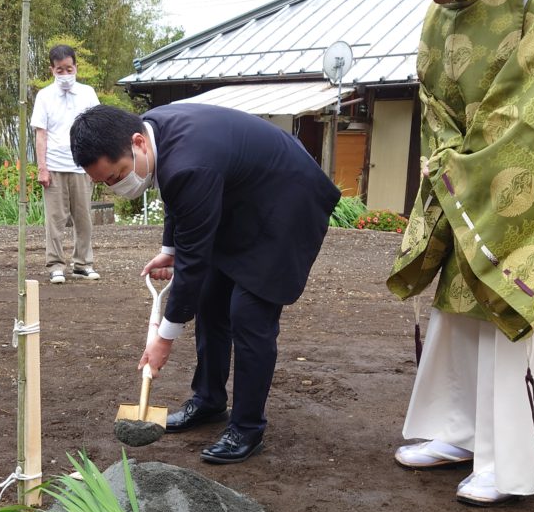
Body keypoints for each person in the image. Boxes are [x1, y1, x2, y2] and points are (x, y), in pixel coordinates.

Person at [388, 0, 534, 504]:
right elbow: (436, 104)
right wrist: (455, 167)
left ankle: (512, 460)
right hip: (471, 178)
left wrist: (471, 168)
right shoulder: (438, 15)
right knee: (463, 301)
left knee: (516, 300)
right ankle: (459, 430)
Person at [70, 104, 340, 464]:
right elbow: (174, 193)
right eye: (105, 182)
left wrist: (164, 338)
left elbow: (194, 261)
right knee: (212, 299)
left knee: (249, 313)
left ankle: (247, 428)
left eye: (116, 175)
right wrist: (170, 249)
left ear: (138, 143)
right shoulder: (153, 133)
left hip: (288, 201)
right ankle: (209, 400)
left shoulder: (188, 162)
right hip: (241, 197)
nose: (115, 186)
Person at [31, 44, 101, 285]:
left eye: (68, 69)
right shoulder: (44, 96)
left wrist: (96, 163)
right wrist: (42, 167)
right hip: (54, 165)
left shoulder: (88, 93)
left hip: (82, 165)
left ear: (76, 67)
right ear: (52, 70)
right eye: (60, 70)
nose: (65, 74)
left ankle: (83, 263)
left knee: (84, 218)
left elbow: (96, 129)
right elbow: (41, 133)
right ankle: (55, 264)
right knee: (55, 219)